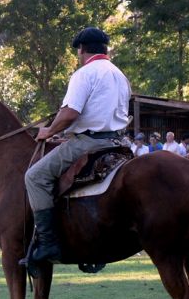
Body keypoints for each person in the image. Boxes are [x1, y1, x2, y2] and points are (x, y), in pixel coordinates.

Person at [22, 26, 131, 267]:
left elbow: (70, 113)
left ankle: (48, 243)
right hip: (119, 143)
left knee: (35, 176)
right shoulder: (119, 74)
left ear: (81, 50)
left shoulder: (85, 73)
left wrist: (49, 131)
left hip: (89, 141)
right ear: (106, 49)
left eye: (78, 52)